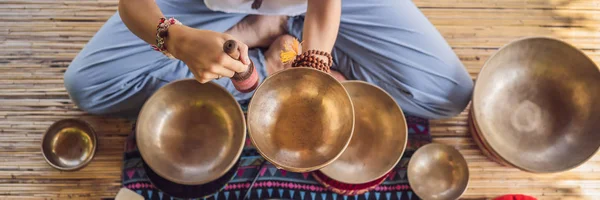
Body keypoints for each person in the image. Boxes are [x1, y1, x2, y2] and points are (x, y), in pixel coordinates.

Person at [64, 0, 473, 119]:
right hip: (205, 4)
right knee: (90, 88)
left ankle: (262, 54)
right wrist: (176, 39)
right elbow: (133, 3)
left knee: (447, 95)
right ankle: (253, 41)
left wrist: (316, 60)